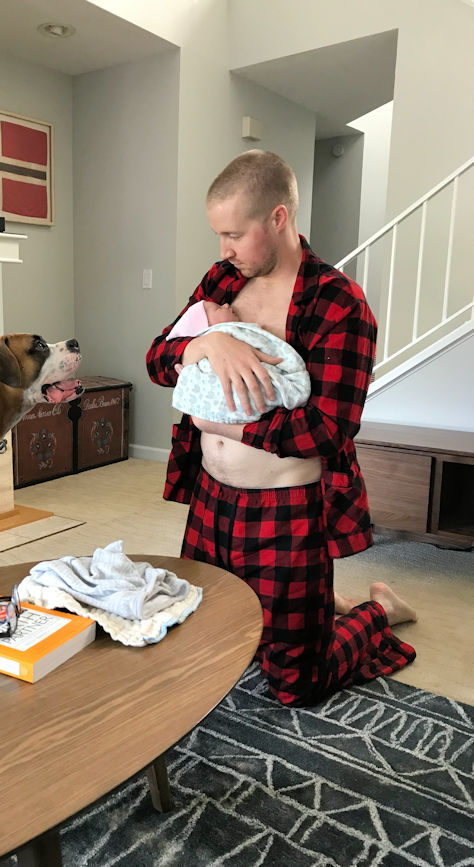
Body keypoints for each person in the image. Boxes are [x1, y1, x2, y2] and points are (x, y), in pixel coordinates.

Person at [146, 149, 417, 707]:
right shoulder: (222, 282)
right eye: (218, 235)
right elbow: (157, 358)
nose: (223, 250)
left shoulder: (339, 304)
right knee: (206, 640)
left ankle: (378, 609)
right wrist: (206, 343)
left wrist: (225, 426)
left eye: (233, 234)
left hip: (287, 512)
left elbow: (329, 430)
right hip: (210, 499)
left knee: (296, 684)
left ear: (278, 218)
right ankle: (315, 607)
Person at [168, 299, 311, 424]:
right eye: (218, 308)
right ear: (207, 325)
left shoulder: (237, 332)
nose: (226, 305)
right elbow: (159, 354)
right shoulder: (224, 331)